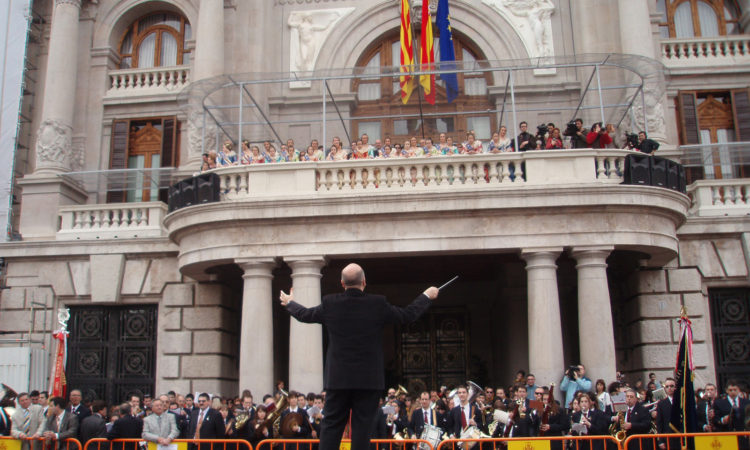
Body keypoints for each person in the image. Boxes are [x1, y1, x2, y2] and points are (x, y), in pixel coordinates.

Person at [280, 263, 438, 450]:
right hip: (368, 381)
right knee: (363, 430)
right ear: (364, 282)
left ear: (342, 283)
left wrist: (290, 302)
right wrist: (426, 296)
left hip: (338, 379)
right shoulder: (377, 304)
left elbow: (305, 315)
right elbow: (407, 315)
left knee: (331, 427)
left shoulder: (330, 303)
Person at [654, 378, 679, 450]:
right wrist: (660, 441)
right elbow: (659, 423)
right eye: (667, 386)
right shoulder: (661, 404)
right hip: (668, 438)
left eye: (672, 386)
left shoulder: (681, 402)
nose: (669, 388)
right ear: (664, 389)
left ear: (675, 387)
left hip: (681, 436)